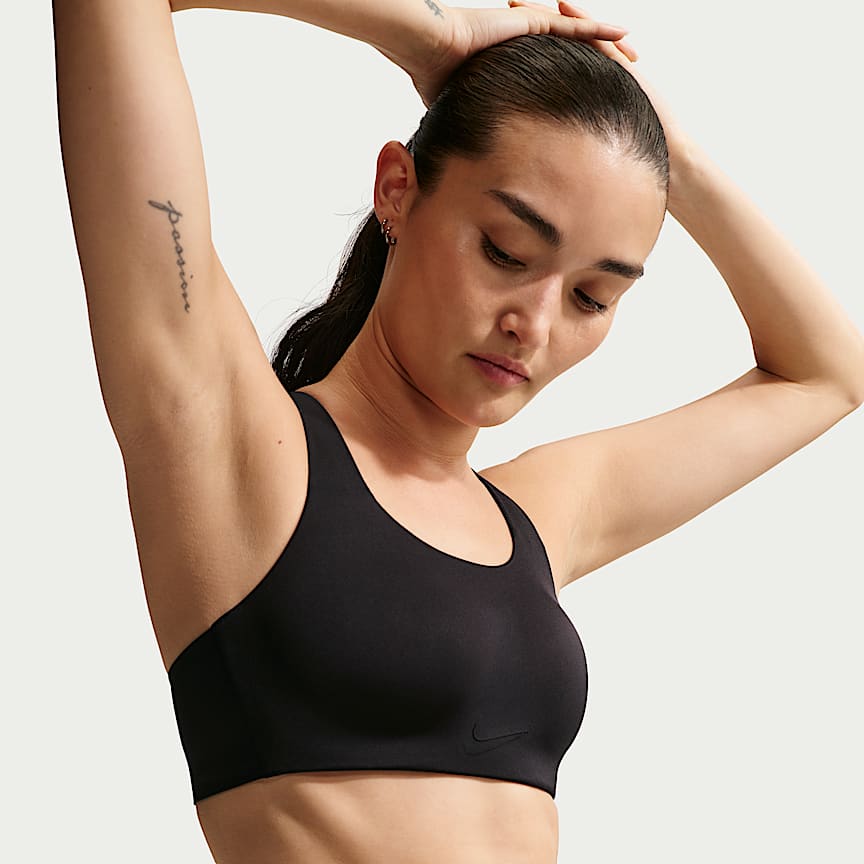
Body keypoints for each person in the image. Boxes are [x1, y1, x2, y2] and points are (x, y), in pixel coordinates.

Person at [52, 0, 864, 862]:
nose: (535, 325)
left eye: (592, 297)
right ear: (397, 191)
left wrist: (668, 150)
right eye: (506, 252)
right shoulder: (231, 442)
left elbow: (828, 373)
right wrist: (425, 32)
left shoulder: (537, 517)